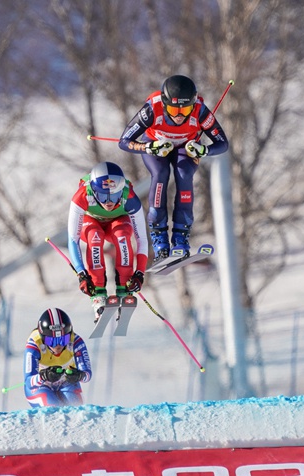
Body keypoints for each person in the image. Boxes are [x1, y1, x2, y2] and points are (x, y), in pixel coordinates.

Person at [119, 74, 229, 263]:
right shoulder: (152, 109)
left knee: (184, 175)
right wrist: (147, 147)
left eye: (185, 109)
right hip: (155, 144)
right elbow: (124, 141)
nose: (179, 115)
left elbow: (222, 143)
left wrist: (204, 150)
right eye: (172, 109)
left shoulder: (200, 111)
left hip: (187, 146)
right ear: (164, 103)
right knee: (160, 174)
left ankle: (181, 238)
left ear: (193, 104)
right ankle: (159, 239)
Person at [68, 161, 148, 319]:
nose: (109, 202)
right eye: (103, 196)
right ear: (94, 191)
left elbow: (142, 240)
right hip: (91, 222)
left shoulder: (129, 196)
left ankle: (124, 289)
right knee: (94, 237)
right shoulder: (82, 195)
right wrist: (82, 273)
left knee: (122, 237)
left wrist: (139, 272)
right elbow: (73, 239)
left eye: (115, 195)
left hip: (117, 222)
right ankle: (98, 294)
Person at [24, 308, 92, 407]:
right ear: (43, 338)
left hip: (66, 382)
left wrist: (79, 375)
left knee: (76, 409)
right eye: (52, 341)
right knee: (53, 408)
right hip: (41, 385)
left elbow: (87, 375)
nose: (58, 345)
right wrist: (44, 376)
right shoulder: (34, 344)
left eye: (63, 340)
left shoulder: (76, 341)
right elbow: (29, 382)